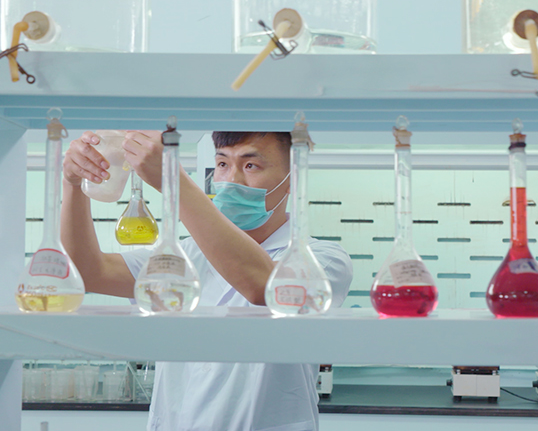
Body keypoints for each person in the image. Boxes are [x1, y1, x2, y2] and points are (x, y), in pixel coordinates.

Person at [61, 130, 353, 431]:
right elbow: (86, 272)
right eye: (223, 164)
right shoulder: (183, 255)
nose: (232, 180)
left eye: (250, 165)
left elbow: (263, 286)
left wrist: (173, 182)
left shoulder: (325, 259)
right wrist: (73, 184)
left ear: (294, 179)